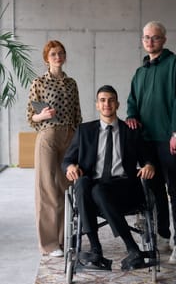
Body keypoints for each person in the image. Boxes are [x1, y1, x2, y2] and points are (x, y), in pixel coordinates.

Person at [62, 85, 155, 270]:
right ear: (97, 105)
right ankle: (128, 249)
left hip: (123, 188)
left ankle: (98, 252)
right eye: (103, 100)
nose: (107, 104)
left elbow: (147, 158)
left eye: (111, 100)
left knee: (97, 190)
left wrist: (149, 165)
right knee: (83, 183)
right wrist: (70, 166)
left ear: (117, 104)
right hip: (91, 188)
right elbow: (67, 159)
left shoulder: (130, 131)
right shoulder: (84, 131)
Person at [126, 21, 176, 265]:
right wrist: (131, 115)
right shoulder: (140, 72)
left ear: (163, 40)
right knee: (156, 192)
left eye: (154, 37)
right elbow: (132, 100)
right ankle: (163, 235)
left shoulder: (175, 64)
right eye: (146, 37)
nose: (149, 41)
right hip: (146, 141)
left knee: (175, 190)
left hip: (168, 139)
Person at [26, 40, 82, 257]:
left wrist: (78, 139)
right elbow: (31, 117)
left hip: (70, 136)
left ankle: (64, 239)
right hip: (48, 136)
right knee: (48, 190)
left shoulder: (71, 83)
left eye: (60, 53)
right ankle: (50, 244)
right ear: (46, 59)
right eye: (53, 54)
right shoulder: (38, 82)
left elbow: (78, 114)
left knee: (66, 187)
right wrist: (42, 115)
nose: (58, 57)